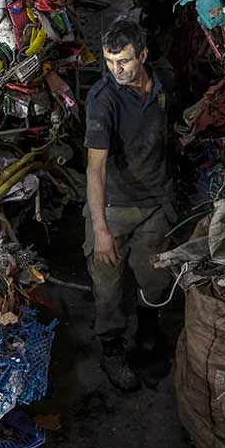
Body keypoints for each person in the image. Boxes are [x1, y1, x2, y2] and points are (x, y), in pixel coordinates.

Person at [84, 20, 176, 391]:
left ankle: (149, 331)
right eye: (109, 61)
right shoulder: (102, 99)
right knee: (107, 286)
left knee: (155, 278)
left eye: (123, 61)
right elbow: (96, 169)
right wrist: (101, 230)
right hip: (115, 207)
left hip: (156, 200)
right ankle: (111, 351)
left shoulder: (164, 81)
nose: (116, 70)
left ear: (143, 55)